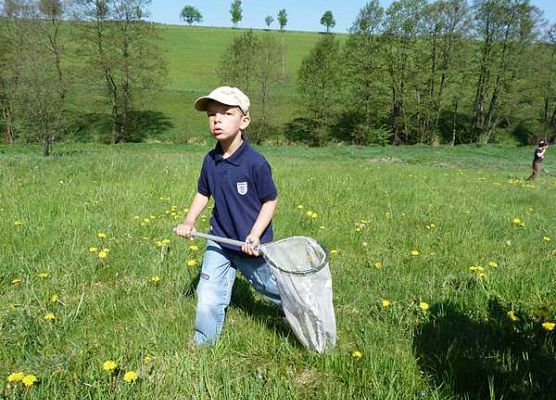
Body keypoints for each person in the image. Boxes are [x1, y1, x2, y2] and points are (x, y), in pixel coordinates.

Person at [174, 86, 281, 346]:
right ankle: (204, 342)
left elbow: (270, 200)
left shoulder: (255, 163)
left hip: (251, 246)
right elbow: (203, 193)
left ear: (244, 120)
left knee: (273, 289)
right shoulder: (210, 160)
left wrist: (255, 236)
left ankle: (301, 310)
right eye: (212, 115)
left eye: (226, 113)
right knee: (208, 293)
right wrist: (189, 222)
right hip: (220, 240)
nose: (217, 119)